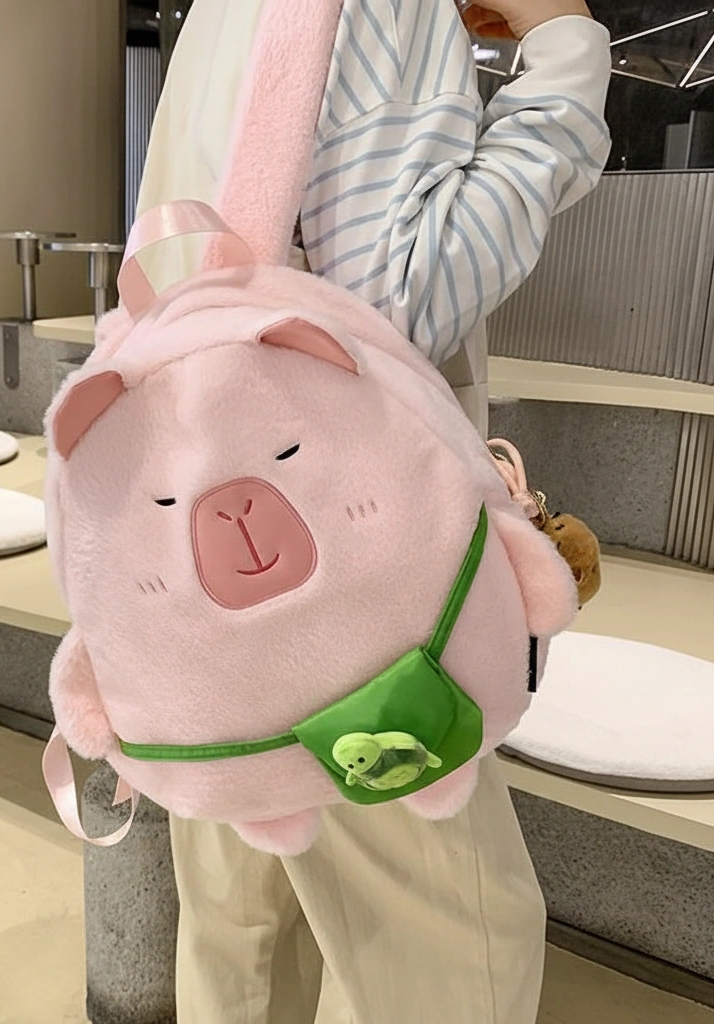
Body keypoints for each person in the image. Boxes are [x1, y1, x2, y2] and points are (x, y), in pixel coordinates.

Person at [135, 1, 611, 1022]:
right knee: (456, 950)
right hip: (344, 586)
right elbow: (389, 307)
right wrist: (565, 49)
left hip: (207, 563)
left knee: (244, 928)